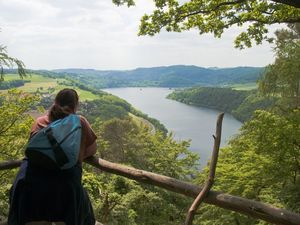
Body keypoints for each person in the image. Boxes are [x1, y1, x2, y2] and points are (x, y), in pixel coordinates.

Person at [8, 88, 97, 225]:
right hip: (66, 187)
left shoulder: (40, 121)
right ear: (76, 105)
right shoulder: (79, 122)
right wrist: (71, 155)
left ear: (55, 102)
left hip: (29, 183)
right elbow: (92, 149)